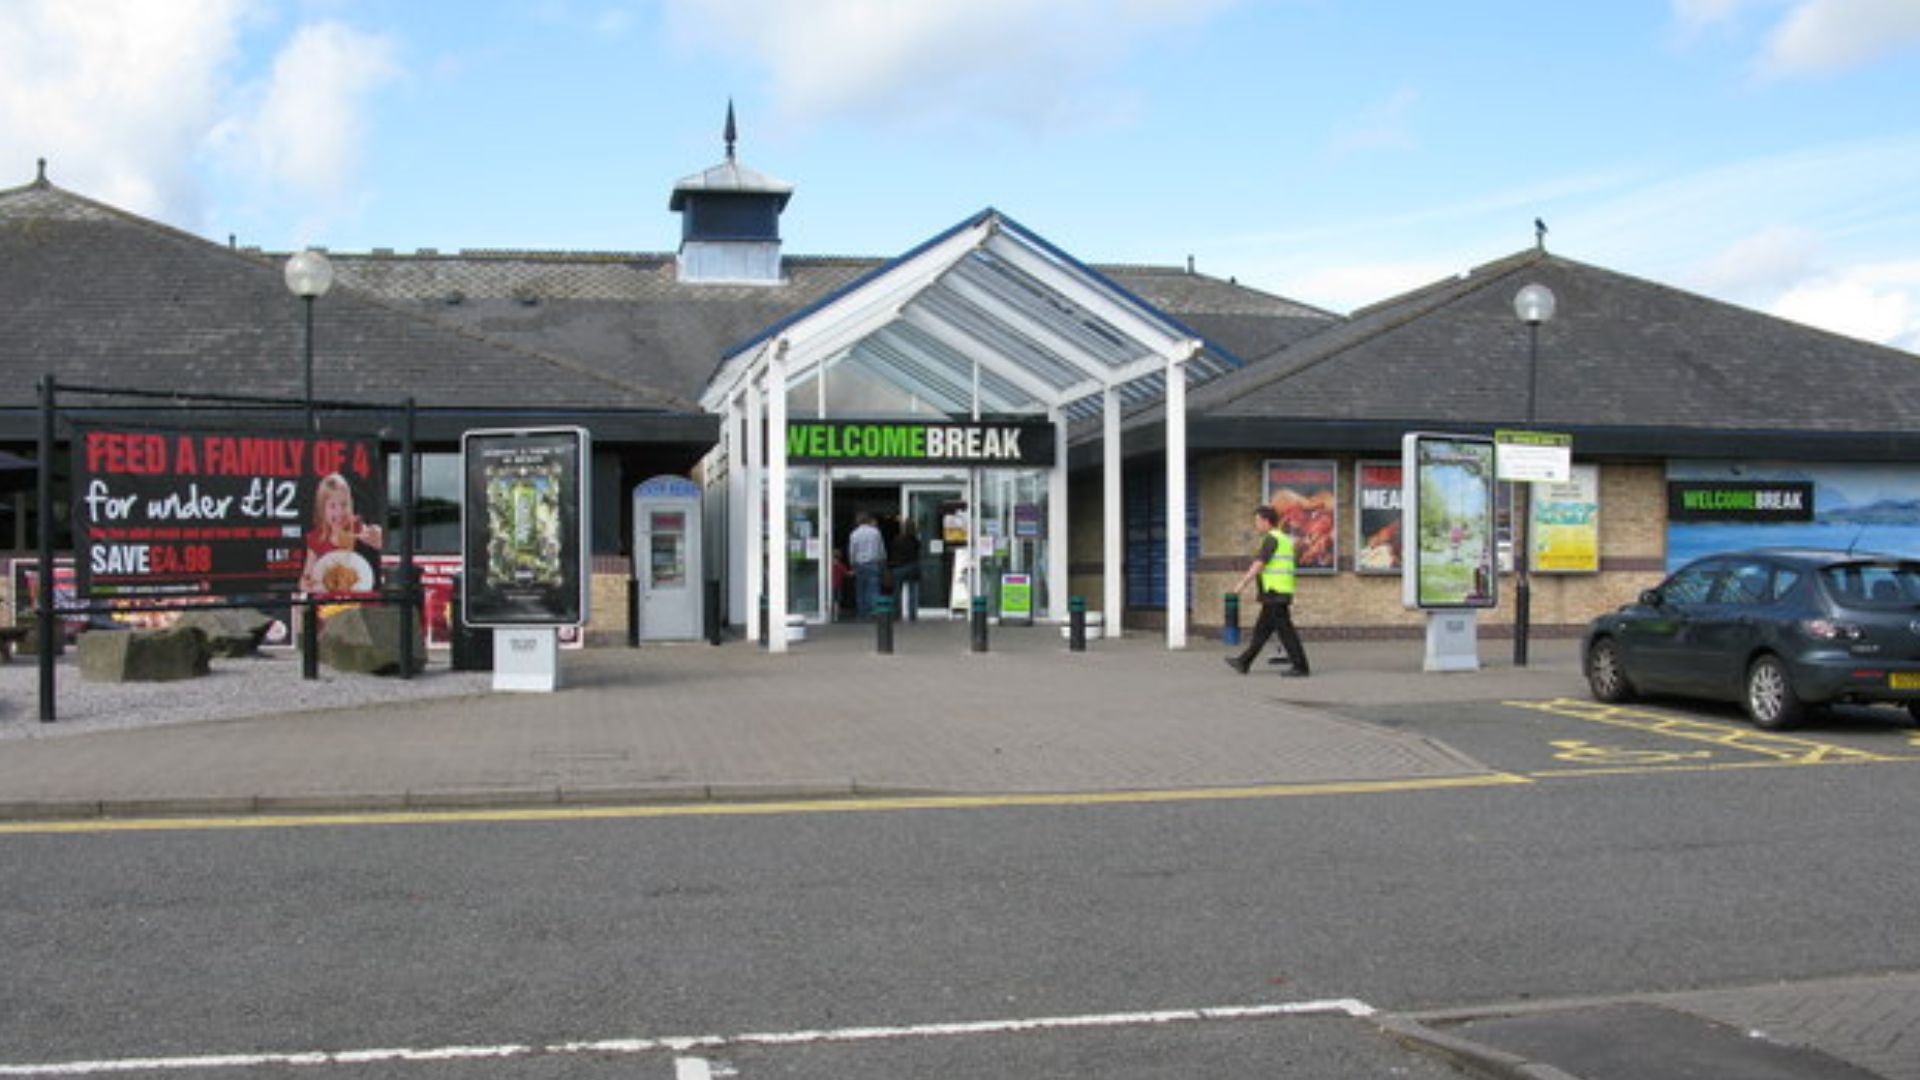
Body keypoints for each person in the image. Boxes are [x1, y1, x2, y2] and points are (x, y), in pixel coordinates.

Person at [1225, 504, 1309, 677]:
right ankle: (1244, 661)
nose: (1256, 524)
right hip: (1278, 591)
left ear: (1265, 521)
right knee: (1262, 631)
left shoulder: (1271, 539)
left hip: (1275, 592)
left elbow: (1259, 564)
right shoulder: (1284, 539)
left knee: (1285, 631)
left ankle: (1301, 667)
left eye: (1257, 520)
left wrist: (1242, 584)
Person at [300, 472, 384, 594]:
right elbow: (305, 578)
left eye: (344, 505)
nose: (339, 512)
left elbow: (378, 540)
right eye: (332, 506)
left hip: (359, 597)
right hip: (328, 602)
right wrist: (305, 584)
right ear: (322, 510)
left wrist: (376, 536)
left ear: (351, 505)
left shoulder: (357, 527)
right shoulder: (316, 539)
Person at [847, 513, 886, 619]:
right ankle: (874, 611)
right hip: (873, 563)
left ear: (858, 521)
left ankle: (862, 613)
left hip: (859, 564)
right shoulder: (875, 532)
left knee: (860, 589)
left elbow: (852, 551)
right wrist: (882, 561)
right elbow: (881, 548)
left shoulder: (854, 534)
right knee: (874, 589)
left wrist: (852, 563)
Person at [889, 519, 923, 621]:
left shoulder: (897, 540)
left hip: (899, 567)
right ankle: (912, 615)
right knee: (912, 592)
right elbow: (918, 554)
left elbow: (893, 553)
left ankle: (897, 614)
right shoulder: (916, 541)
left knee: (897, 592)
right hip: (912, 566)